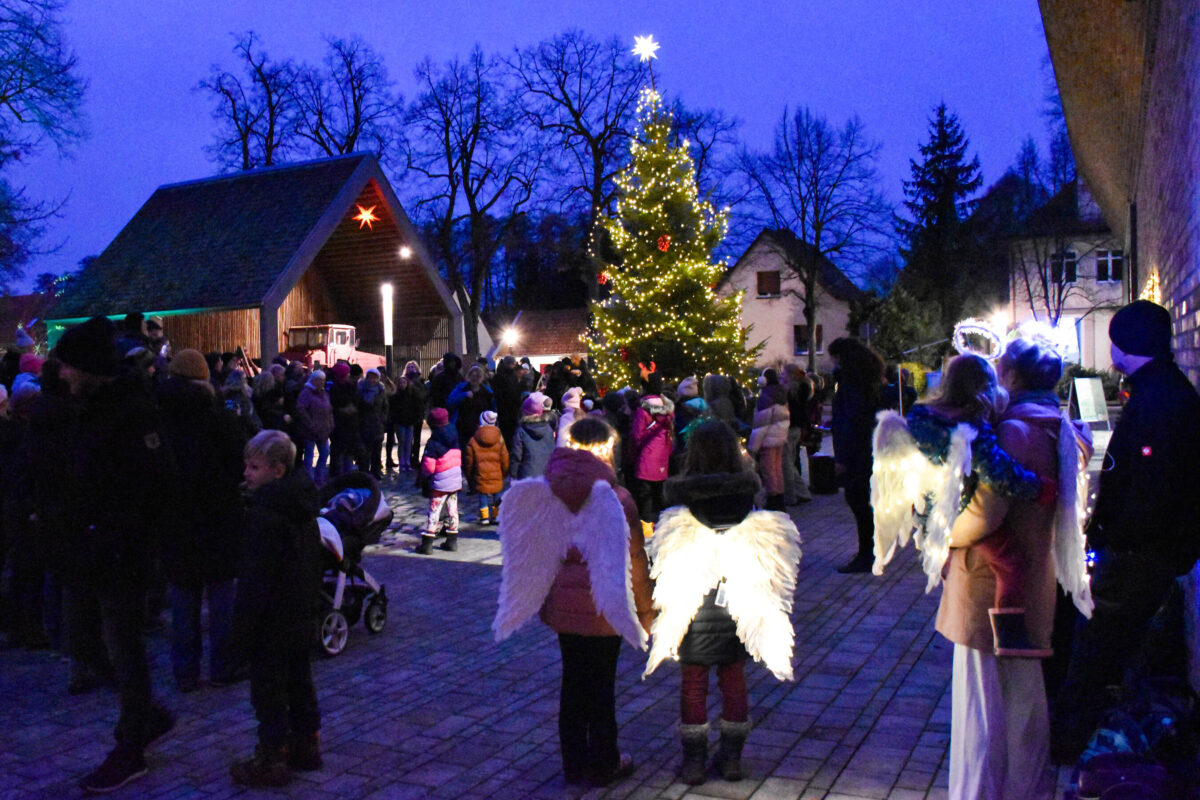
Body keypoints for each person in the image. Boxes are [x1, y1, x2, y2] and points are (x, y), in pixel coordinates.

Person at [938, 337, 1092, 798]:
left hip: (989, 586)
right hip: (1032, 582)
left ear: (1014, 377)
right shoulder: (1062, 427)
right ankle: (1028, 788)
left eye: (1001, 368)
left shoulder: (1014, 433)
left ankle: (982, 791)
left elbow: (986, 513)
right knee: (1024, 696)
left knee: (983, 703)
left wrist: (941, 534)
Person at [1052, 300, 1200, 763]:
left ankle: (1069, 744)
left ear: (1127, 345)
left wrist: (1112, 538)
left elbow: (1149, 485)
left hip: (1138, 554)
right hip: (1147, 551)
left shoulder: (1158, 401)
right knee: (1107, 649)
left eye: (1115, 340)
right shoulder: (1163, 391)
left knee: (1093, 650)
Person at [493, 417, 654, 787]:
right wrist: (645, 614)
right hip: (606, 609)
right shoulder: (618, 498)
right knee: (602, 687)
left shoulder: (549, 494)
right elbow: (634, 562)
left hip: (565, 611)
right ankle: (605, 762)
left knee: (573, 682)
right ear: (604, 450)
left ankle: (574, 763)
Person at [54, 316, 176, 794]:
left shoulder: (131, 410)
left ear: (87, 368)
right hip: (88, 547)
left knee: (122, 645)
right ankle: (147, 715)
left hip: (122, 550)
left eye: (67, 366)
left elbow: (156, 482)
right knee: (81, 642)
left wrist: (127, 531)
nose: (60, 374)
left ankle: (131, 744)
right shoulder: (88, 405)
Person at [645, 421, 802, 785]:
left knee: (694, 680)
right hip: (739, 605)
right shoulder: (748, 503)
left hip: (693, 606)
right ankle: (731, 758)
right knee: (733, 677)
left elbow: (660, 565)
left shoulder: (678, 510)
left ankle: (694, 762)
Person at [892, 354, 1056, 655]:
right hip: (961, 509)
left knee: (953, 549)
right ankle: (1009, 631)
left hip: (930, 511)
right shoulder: (971, 427)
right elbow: (998, 471)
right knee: (1010, 562)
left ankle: (945, 560)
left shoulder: (920, 418)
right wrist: (1039, 488)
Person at [229, 430, 322, 787]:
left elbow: (255, 579)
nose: (247, 474)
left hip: (271, 619)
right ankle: (306, 744)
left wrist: (241, 631)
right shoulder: (300, 506)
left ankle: (272, 757)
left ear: (277, 470)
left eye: (254, 467)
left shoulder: (266, 515)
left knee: (268, 690)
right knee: (299, 681)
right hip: (298, 612)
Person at [156, 349, 248, 692]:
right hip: (218, 517)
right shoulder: (218, 418)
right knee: (222, 597)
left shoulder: (158, 417)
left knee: (184, 600)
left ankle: (186, 670)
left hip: (176, 520)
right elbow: (240, 462)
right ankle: (222, 664)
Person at [828, 337, 886, 573]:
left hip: (857, 454)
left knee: (859, 501)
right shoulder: (869, 381)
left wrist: (841, 458)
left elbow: (849, 422)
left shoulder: (850, 385)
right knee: (865, 502)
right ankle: (870, 550)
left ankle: (867, 554)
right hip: (870, 450)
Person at [629, 374, 675, 531]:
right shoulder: (668, 410)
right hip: (662, 457)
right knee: (659, 494)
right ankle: (663, 526)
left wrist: (632, 454)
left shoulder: (643, 409)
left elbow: (637, 435)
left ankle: (646, 528)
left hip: (646, 456)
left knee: (645, 495)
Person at [417, 407, 461, 554]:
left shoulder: (434, 441)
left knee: (435, 509)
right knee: (452, 508)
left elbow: (429, 467)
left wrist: (424, 475)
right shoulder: (455, 435)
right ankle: (452, 540)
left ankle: (428, 543)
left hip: (440, 482)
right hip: (454, 480)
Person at [748, 368, 790, 511]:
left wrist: (753, 447)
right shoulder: (781, 395)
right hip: (779, 439)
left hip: (768, 441)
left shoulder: (766, 398)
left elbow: (761, 425)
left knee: (769, 470)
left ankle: (774, 500)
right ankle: (779, 497)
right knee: (777, 469)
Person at [464, 410, 509, 525]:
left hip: (481, 473)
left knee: (483, 493)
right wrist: (504, 472)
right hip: (497, 473)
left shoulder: (474, 439)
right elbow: (505, 457)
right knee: (496, 493)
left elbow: (469, 460)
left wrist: (469, 474)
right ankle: (496, 515)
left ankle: (484, 517)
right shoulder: (500, 439)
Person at [293, 370, 333, 484]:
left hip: (323, 429)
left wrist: (331, 423)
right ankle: (309, 480)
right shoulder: (306, 393)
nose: (322, 382)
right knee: (309, 455)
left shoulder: (323, 393)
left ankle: (319, 477)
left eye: (323, 380)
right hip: (310, 430)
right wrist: (311, 424)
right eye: (319, 380)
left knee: (325, 452)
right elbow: (301, 410)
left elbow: (329, 410)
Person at [783, 365, 814, 504]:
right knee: (791, 461)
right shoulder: (806, 387)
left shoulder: (791, 390)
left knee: (787, 463)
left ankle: (791, 495)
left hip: (789, 428)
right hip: (798, 428)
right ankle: (802, 492)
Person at [510, 394, 556, 480]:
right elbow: (552, 451)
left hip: (526, 475)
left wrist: (513, 475)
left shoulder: (521, 431)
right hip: (546, 474)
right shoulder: (549, 429)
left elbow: (516, 455)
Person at [357, 368, 388, 479]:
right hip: (364, 424)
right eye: (370, 377)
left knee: (377, 450)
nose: (372, 380)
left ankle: (376, 471)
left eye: (375, 377)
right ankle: (364, 472)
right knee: (365, 451)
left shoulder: (381, 390)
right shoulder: (360, 389)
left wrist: (382, 419)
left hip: (377, 424)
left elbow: (385, 406)